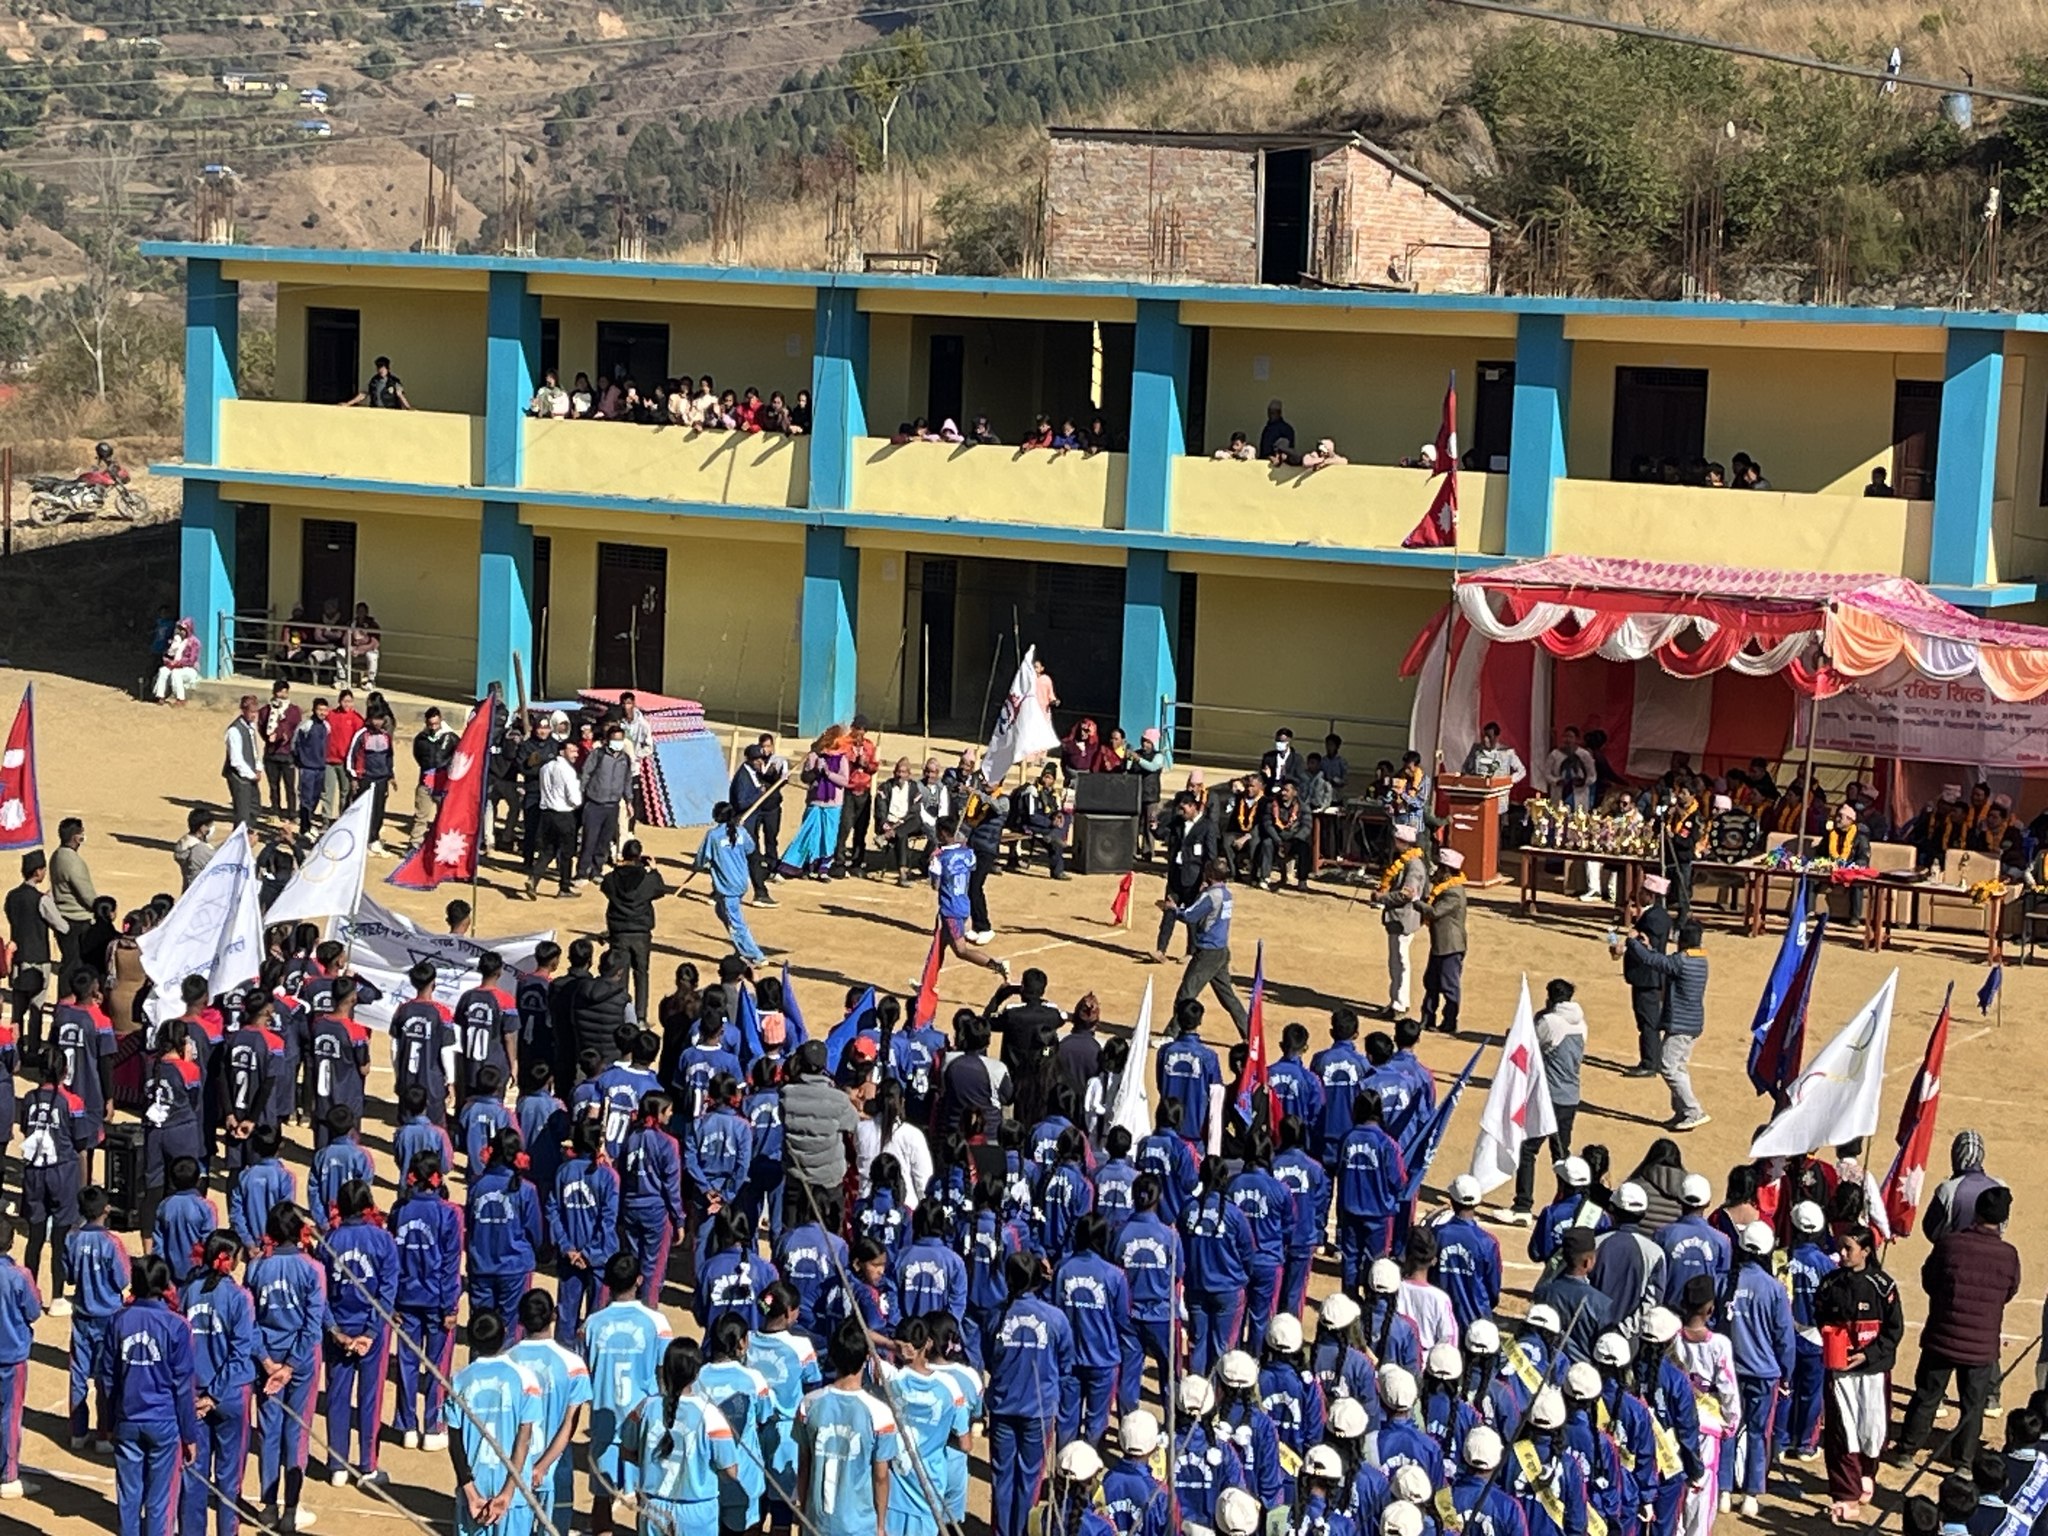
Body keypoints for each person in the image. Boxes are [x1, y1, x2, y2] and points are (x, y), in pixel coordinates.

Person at [1896, 1187, 2022, 1471]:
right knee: (1973, 1405)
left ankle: (1907, 1450)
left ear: (1977, 1212)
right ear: (2003, 1219)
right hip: (1981, 1345)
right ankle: (1963, 1461)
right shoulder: (2008, 1254)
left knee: (1927, 1395)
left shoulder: (1949, 1243)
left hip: (1942, 1336)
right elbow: (2010, 1290)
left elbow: (1929, 1280)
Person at [1815, 1224, 1903, 1522]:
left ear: (1865, 1252)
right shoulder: (1829, 1284)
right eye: (1840, 1247)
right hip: (1841, 1374)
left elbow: (1894, 1330)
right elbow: (1820, 1318)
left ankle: (1867, 1473)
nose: (1841, 1254)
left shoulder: (1884, 1286)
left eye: (1848, 1249)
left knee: (1872, 1429)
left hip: (1873, 1373)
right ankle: (1845, 1495)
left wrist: (1867, 1354)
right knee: (1842, 1433)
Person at [584, 1251, 674, 1536]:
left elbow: (588, 1366)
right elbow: (665, 1374)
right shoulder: (657, 1323)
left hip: (603, 1419)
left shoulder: (591, 1324)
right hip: (642, 1421)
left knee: (601, 1496)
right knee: (645, 1494)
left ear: (608, 1282)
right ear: (639, 1280)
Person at [797, 1320, 900, 1536]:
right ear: (866, 1359)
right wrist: (880, 1525)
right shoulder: (879, 1413)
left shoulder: (809, 1403)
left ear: (832, 1356)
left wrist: (804, 1513)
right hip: (858, 1525)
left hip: (818, 1521)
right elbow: (881, 1476)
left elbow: (804, 1465)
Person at [445, 1310, 540, 1536]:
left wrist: (470, 1493)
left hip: (474, 1494)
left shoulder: (458, 1381)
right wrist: (507, 1493)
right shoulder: (525, 1379)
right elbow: (523, 1441)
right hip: (513, 1495)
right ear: (505, 1333)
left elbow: (455, 1443)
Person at [1723, 1221, 1795, 1516]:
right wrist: (1788, 1373)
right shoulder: (1774, 1289)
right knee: (1756, 1432)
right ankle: (1751, 1494)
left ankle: (1724, 1491)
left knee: (1729, 1429)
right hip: (1763, 1374)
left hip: (1728, 1371)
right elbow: (1785, 1340)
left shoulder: (1724, 1282)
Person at [1617, 919, 1710, 1131]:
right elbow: (1663, 960)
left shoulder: (1682, 961)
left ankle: (1694, 1110)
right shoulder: (1700, 960)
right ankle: (1682, 1112)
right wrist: (1647, 947)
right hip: (1693, 1023)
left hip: (1681, 1025)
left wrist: (1633, 943)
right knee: (1678, 1067)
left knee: (1667, 1065)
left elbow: (1654, 961)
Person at [1157, 859, 1249, 1036]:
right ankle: (1249, 1031)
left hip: (1207, 952)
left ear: (1211, 875)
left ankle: (1171, 1034)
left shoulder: (1210, 896)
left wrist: (1173, 909)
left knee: (1186, 995)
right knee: (1228, 997)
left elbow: (1190, 916)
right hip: (1221, 950)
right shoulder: (1226, 894)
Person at [1418, 847, 1468, 1034]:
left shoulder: (1454, 892)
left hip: (1450, 946)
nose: (1436, 871)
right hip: (1441, 944)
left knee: (1449, 986)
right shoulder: (1446, 889)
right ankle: (1428, 1018)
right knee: (1431, 981)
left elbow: (1436, 912)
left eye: (1440, 868)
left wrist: (1416, 901)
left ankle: (1449, 1022)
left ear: (1446, 871)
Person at [152, 616, 202, 703]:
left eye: (183, 629)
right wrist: (168, 661)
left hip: (189, 669)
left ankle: (180, 699)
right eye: (180, 629)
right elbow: (168, 654)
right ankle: (160, 696)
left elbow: (191, 660)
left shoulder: (194, 642)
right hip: (174, 666)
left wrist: (178, 664)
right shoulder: (176, 641)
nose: (181, 632)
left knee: (176, 673)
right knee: (163, 670)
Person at [342, 356, 412, 409]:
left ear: (387, 368)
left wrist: (409, 408)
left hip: (391, 411)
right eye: (379, 368)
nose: (381, 370)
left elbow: (400, 396)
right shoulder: (374, 381)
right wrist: (348, 404)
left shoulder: (394, 381)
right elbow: (363, 394)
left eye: (383, 368)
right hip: (376, 411)